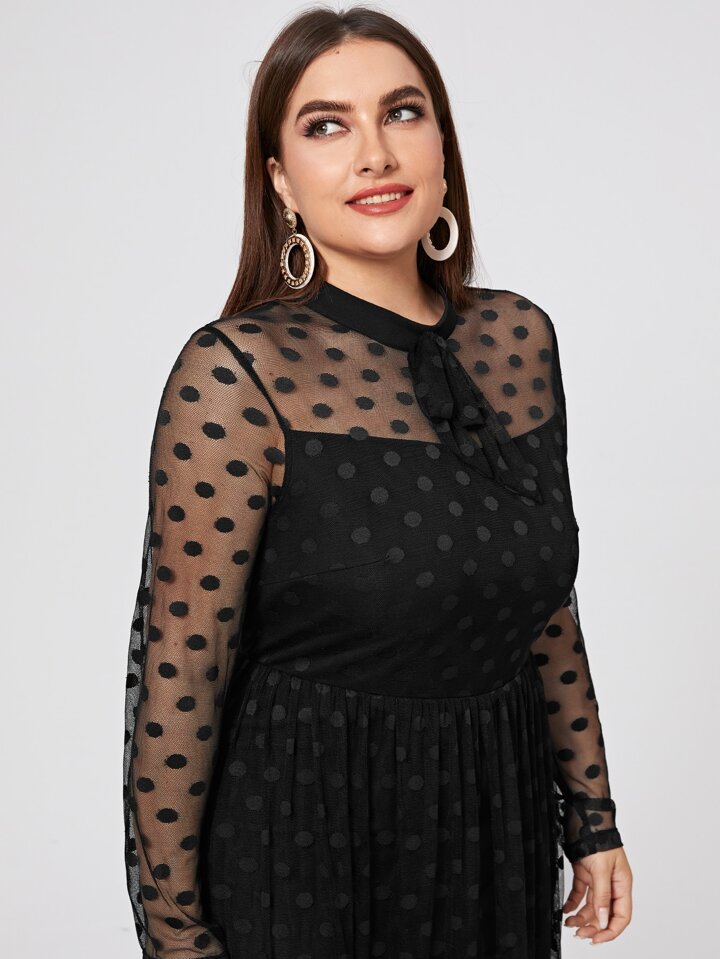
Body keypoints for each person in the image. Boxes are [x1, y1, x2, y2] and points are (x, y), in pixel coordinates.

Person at [122, 6, 633, 958]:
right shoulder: (236, 374)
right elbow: (182, 667)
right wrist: (176, 934)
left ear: (442, 146)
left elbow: (540, 602)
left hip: (496, 827)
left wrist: (592, 816)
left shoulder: (518, 340)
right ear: (281, 180)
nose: (374, 153)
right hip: (306, 839)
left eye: (402, 113)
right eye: (326, 125)